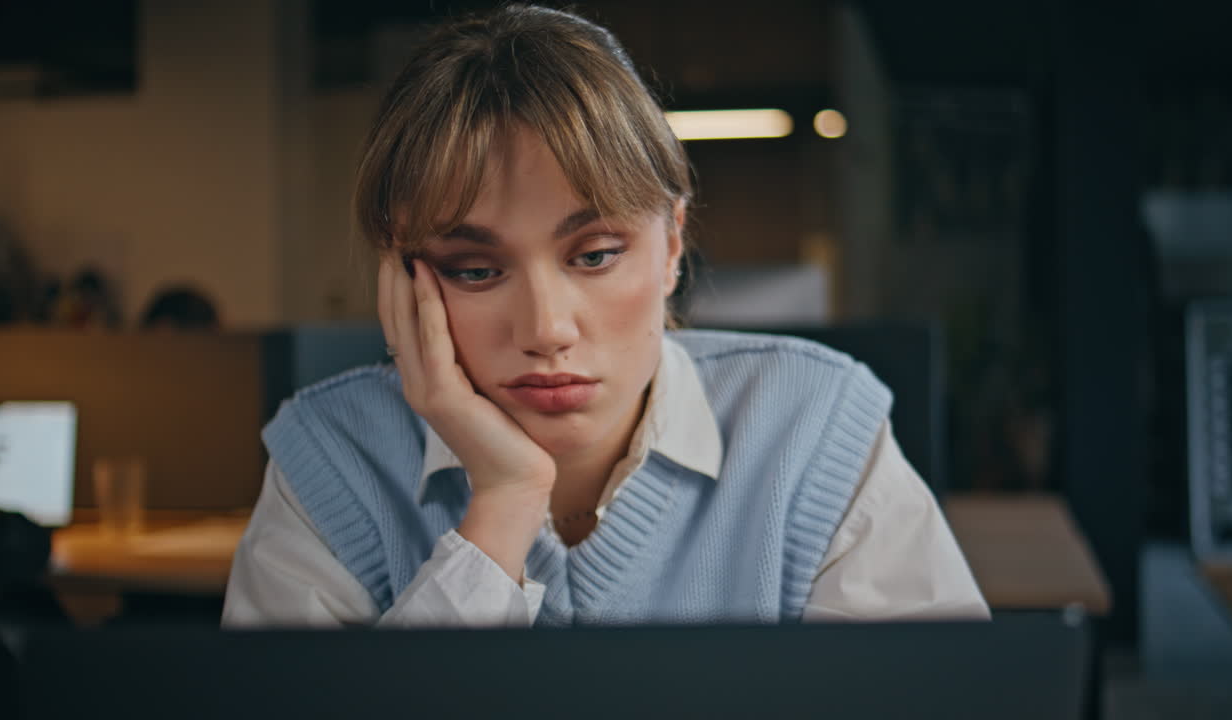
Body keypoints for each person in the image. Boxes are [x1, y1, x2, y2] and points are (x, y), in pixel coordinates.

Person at [222, 4, 987, 627]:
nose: (547, 329)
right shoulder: (332, 457)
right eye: (477, 270)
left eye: (594, 255)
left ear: (672, 243)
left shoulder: (813, 427)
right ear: (405, 276)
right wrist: (501, 508)